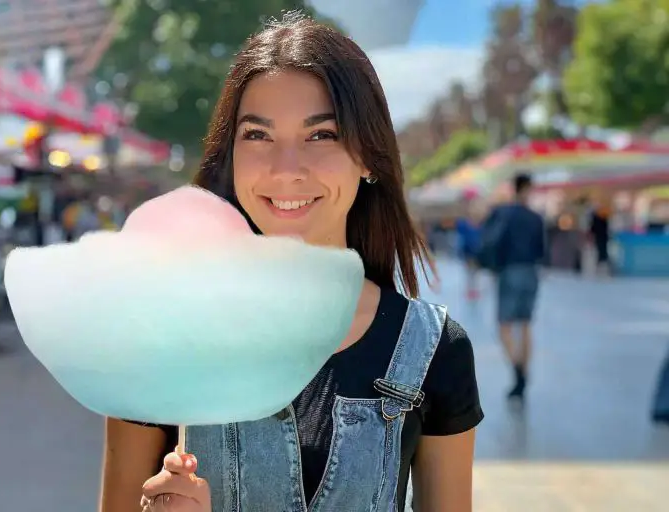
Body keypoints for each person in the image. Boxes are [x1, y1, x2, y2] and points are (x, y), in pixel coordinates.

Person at [100, 13, 483, 512]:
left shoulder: (434, 351)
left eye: (320, 135)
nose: (286, 170)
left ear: (368, 157)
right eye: (258, 136)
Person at [483, 173, 545, 402]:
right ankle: (524, 372)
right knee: (525, 325)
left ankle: (517, 371)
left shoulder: (503, 214)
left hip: (508, 271)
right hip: (531, 271)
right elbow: (541, 250)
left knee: (505, 326)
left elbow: (489, 241)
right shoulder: (536, 218)